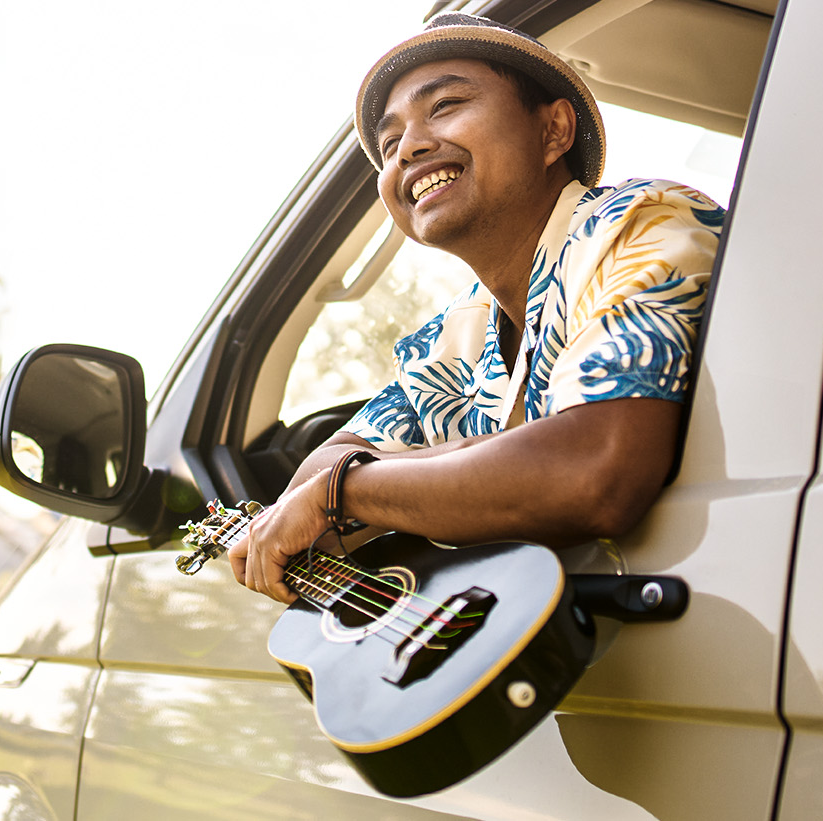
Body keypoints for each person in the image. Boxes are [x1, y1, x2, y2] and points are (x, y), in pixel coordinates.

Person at [229, 13, 725, 604]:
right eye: (389, 144)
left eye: (444, 106)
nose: (408, 148)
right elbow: (313, 478)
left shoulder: (639, 222)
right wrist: (474, 462)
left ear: (554, 131)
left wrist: (352, 491)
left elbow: (594, 472)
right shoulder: (450, 336)